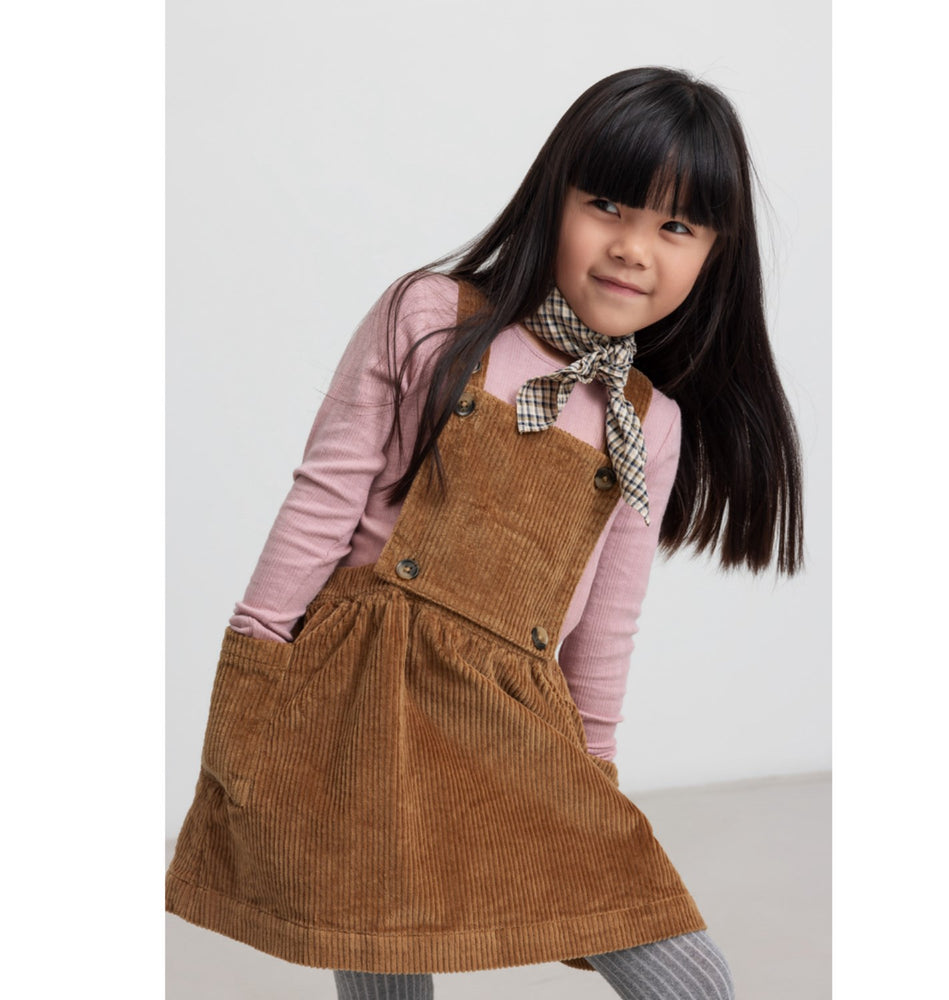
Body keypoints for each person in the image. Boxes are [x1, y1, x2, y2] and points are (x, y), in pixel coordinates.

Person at [166, 66, 803, 1000]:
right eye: (608, 205)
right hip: (366, 689)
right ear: (556, 198)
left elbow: (606, 628)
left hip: (512, 719)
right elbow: (318, 505)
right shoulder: (431, 319)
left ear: (714, 253)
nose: (633, 248)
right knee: (382, 947)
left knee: (690, 976)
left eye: (677, 227)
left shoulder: (648, 422)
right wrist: (252, 675)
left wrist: (593, 786)